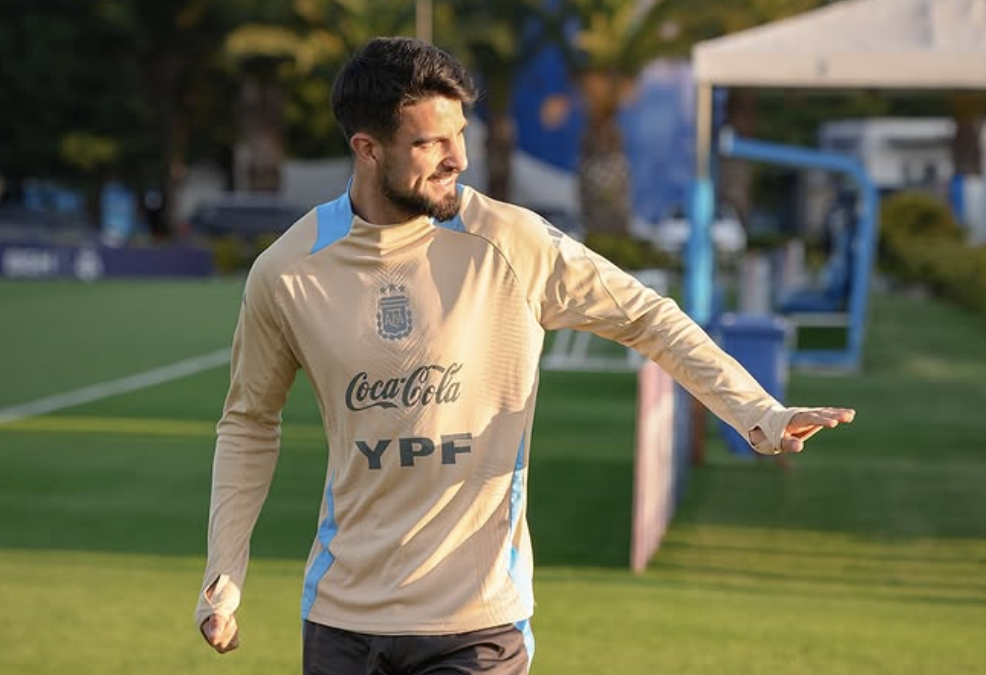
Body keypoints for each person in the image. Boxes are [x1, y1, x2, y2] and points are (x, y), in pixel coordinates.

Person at [195, 36, 855, 674]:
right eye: (429, 143)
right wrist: (224, 577)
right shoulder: (287, 271)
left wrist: (756, 411)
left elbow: (648, 317)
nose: (458, 158)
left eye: (461, 135)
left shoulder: (511, 242)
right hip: (341, 619)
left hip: (477, 624)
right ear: (366, 149)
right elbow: (249, 422)